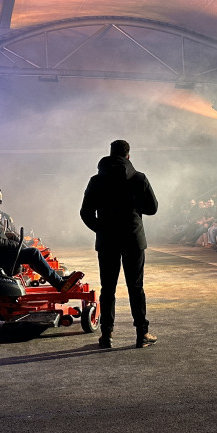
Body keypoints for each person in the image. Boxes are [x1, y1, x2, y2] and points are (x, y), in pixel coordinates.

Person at [79, 139, 159, 349]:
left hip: (107, 241)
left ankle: (107, 336)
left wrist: (101, 229)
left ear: (110, 153)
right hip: (133, 238)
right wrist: (135, 204)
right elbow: (152, 208)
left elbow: (85, 213)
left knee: (108, 288)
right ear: (128, 156)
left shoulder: (96, 180)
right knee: (136, 287)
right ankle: (142, 334)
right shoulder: (139, 178)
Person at [0, 186, 84, 292]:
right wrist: (13, 245)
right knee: (33, 253)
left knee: (29, 253)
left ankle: (58, 279)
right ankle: (59, 284)